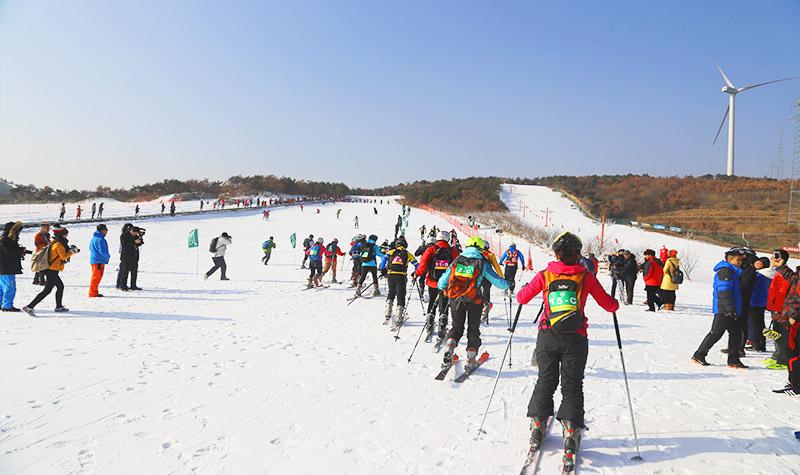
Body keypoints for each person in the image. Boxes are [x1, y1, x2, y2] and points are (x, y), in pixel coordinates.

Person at [516, 232, 618, 461]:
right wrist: (615, 303)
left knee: (545, 379)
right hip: (576, 338)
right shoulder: (586, 276)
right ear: (578, 254)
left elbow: (522, 298)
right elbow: (609, 305)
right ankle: (571, 430)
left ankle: (538, 424)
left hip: (547, 335)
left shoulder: (545, 275)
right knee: (572, 384)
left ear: (556, 254)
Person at [439, 236, 509, 369]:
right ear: (480, 248)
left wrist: (443, 289)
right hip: (474, 301)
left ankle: (449, 346)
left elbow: (442, 282)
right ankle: (471, 360)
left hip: (456, 299)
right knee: (473, 330)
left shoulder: (457, 260)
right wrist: (508, 284)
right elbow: (499, 282)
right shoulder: (482, 262)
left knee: (456, 328)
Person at [692, 247, 748, 368]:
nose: (740, 263)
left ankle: (733, 360)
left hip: (732, 308)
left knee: (736, 334)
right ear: (730, 260)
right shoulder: (725, 271)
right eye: (738, 260)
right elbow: (723, 290)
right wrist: (729, 309)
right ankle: (699, 355)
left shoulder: (733, 272)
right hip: (724, 309)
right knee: (716, 333)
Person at [23, 226, 78, 316]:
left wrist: (70, 250)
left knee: (60, 286)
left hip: (52, 269)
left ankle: (59, 306)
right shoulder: (58, 245)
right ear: (61, 235)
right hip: (52, 270)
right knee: (47, 290)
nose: (67, 236)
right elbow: (63, 256)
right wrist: (72, 252)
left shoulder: (54, 242)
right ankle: (29, 306)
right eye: (65, 234)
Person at [415, 231, 459, 344]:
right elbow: (458, 265)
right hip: (447, 284)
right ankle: (442, 327)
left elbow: (423, 264)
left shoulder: (431, 249)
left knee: (432, 303)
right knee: (443, 304)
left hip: (432, 282)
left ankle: (429, 324)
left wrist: (417, 274)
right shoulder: (452, 251)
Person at [382, 236, 418, 325]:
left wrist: (383, 269)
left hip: (391, 275)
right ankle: (399, 315)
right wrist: (415, 273)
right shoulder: (407, 253)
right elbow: (417, 265)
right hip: (401, 276)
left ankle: (388, 312)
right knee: (401, 294)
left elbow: (384, 259)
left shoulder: (391, 252)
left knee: (391, 292)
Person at [0, 222, 28, 312]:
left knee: (2, 287)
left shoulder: (6, 239)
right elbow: (8, 251)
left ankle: (2, 304)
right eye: (18, 231)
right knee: (10, 287)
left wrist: (22, 251)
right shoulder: (5, 240)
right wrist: (20, 250)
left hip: (4, 268)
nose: (18, 234)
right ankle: (7, 306)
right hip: (6, 269)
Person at [747, 257, 773, 352]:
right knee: (759, 323)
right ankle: (761, 343)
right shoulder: (769, 275)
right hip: (762, 302)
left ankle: (755, 343)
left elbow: (752, 286)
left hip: (754, 301)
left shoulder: (760, 275)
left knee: (754, 323)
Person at [479, 239, 504, 323]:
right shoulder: (490, 255)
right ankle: (485, 314)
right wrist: (501, 277)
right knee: (486, 295)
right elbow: (496, 267)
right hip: (488, 278)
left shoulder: (477, 253)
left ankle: (478, 312)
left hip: (477, 277)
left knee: (477, 295)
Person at [117, 224, 144, 290]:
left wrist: (140, 238)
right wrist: (134, 242)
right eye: (135, 233)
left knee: (134, 272)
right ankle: (123, 286)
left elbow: (140, 243)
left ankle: (133, 285)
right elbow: (125, 245)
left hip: (134, 256)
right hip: (126, 257)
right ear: (131, 231)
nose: (136, 234)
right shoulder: (124, 236)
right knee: (125, 272)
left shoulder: (135, 236)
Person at [88, 224, 111, 297]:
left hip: (94, 260)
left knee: (96, 276)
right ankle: (93, 293)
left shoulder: (94, 238)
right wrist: (107, 257)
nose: (107, 231)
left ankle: (94, 291)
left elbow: (90, 247)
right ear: (102, 230)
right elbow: (103, 251)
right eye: (106, 229)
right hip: (99, 261)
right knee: (96, 277)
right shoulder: (101, 240)